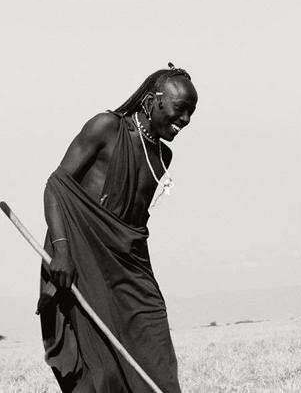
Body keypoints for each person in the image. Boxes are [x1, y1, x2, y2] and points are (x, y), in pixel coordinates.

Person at [38, 65, 197, 393]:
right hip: (82, 259)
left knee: (158, 360)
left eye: (191, 114)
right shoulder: (107, 127)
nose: (185, 121)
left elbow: (133, 223)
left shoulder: (163, 156)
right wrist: (63, 250)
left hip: (130, 268)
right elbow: (56, 185)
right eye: (180, 110)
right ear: (156, 101)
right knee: (104, 372)